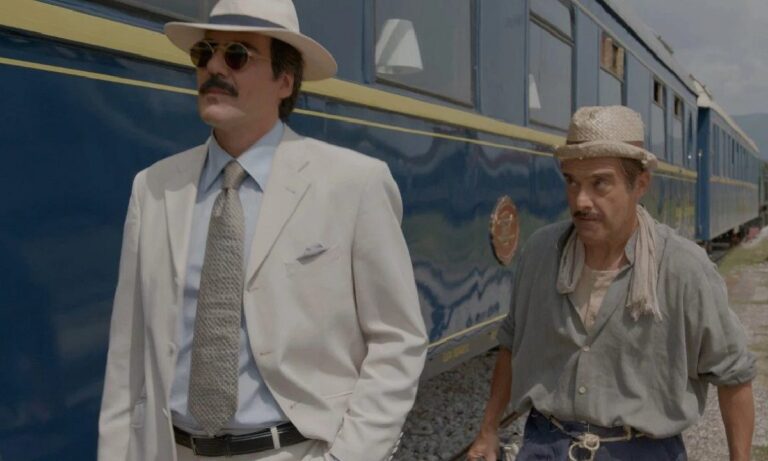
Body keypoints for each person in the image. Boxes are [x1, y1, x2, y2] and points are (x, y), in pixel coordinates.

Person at [97, 0, 428, 460]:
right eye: (205, 53)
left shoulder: (353, 184)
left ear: (285, 81)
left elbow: (398, 340)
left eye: (237, 54)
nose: (214, 66)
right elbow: (127, 355)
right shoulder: (154, 188)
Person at [467, 106, 756, 461]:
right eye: (571, 181)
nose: (580, 200)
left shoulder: (683, 268)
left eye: (599, 183)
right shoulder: (540, 254)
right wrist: (488, 430)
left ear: (640, 184)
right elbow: (512, 345)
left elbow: (733, 375)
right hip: (546, 446)